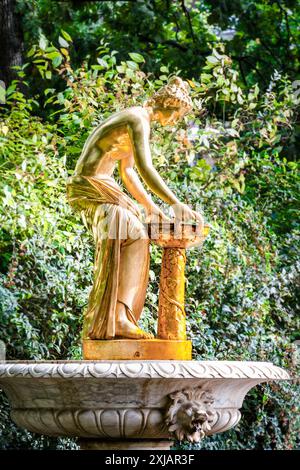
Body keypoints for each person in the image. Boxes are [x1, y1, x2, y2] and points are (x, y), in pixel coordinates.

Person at [67, 76, 203, 340]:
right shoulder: (137, 119)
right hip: (92, 184)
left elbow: (128, 171)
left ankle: (118, 317)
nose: (175, 121)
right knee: (132, 234)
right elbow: (145, 167)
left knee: (135, 234)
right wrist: (176, 204)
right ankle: (116, 318)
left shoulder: (136, 119)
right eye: (177, 114)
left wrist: (152, 207)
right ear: (168, 104)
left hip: (101, 184)